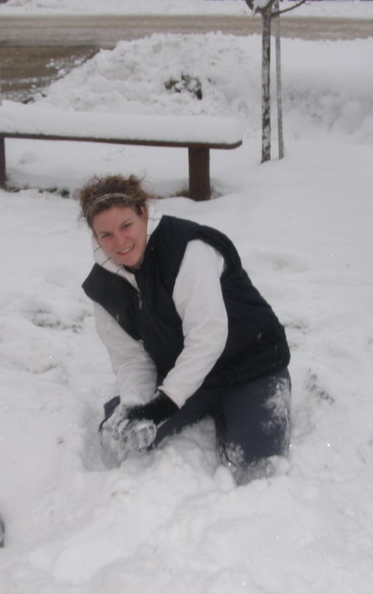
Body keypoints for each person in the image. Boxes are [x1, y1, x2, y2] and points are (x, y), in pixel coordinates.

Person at [78, 174, 292, 484]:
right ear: (95, 237)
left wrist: (166, 403)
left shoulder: (186, 250)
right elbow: (130, 358)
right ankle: (207, 404)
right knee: (119, 438)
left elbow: (207, 337)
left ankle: (240, 406)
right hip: (189, 374)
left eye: (126, 226)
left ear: (143, 213)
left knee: (254, 468)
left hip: (251, 364)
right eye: (106, 234)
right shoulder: (103, 287)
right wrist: (139, 406)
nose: (120, 242)